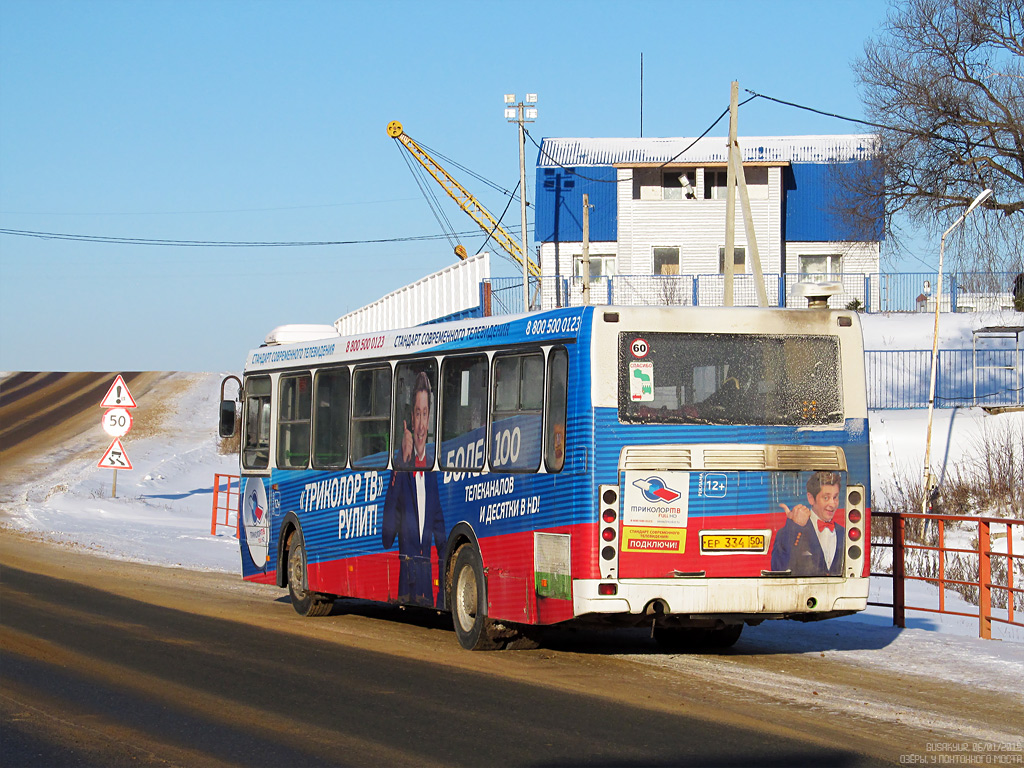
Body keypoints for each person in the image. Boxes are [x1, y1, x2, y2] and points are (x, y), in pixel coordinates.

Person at [382, 370, 447, 608]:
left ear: (430, 419)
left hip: (428, 592)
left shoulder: (432, 474)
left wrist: (444, 597)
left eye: (425, 414)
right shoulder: (401, 471)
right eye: (417, 414)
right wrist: (401, 461)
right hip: (405, 590)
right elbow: (387, 536)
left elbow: (442, 540)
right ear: (411, 418)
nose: (421, 426)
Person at [769, 471, 845, 577]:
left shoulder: (843, 532)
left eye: (835, 497)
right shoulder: (791, 529)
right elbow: (778, 568)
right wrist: (794, 527)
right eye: (826, 498)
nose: (832, 504)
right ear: (811, 498)